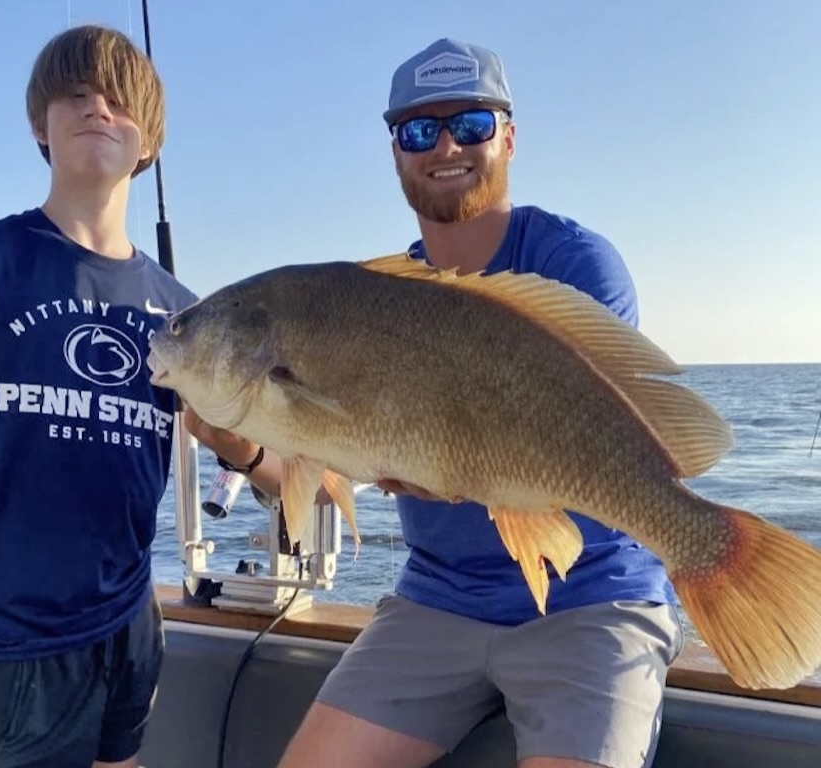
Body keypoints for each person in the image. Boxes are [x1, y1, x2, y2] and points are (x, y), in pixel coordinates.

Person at [187, 38, 684, 768]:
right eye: (419, 130)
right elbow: (332, 475)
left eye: (471, 125)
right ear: (395, 152)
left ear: (508, 137)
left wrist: (438, 458)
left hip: (592, 599)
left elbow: (590, 429)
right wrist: (246, 449)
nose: (446, 145)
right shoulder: (376, 300)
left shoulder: (573, 262)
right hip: (436, 602)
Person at [0, 24, 198, 768]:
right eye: (75, 94)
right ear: (41, 124)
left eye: (120, 100)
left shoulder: (184, 311)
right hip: (4, 634)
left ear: (149, 140)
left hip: (129, 623)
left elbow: (252, 446)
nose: (98, 107)